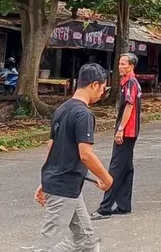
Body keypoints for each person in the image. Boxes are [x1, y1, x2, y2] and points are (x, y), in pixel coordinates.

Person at [34, 63, 113, 252]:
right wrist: (106, 178)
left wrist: (44, 180)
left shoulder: (62, 109)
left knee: (86, 240)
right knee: (48, 244)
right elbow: (85, 154)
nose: (102, 93)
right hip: (64, 186)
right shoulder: (83, 114)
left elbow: (51, 147)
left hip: (68, 186)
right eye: (103, 88)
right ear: (94, 85)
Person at [95, 53, 142, 220]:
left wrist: (120, 128)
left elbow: (129, 107)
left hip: (127, 131)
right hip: (132, 131)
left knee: (115, 168)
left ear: (131, 66)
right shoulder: (130, 82)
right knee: (126, 168)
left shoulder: (130, 82)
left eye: (123, 64)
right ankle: (124, 205)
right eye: (119, 63)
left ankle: (105, 208)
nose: (120, 66)